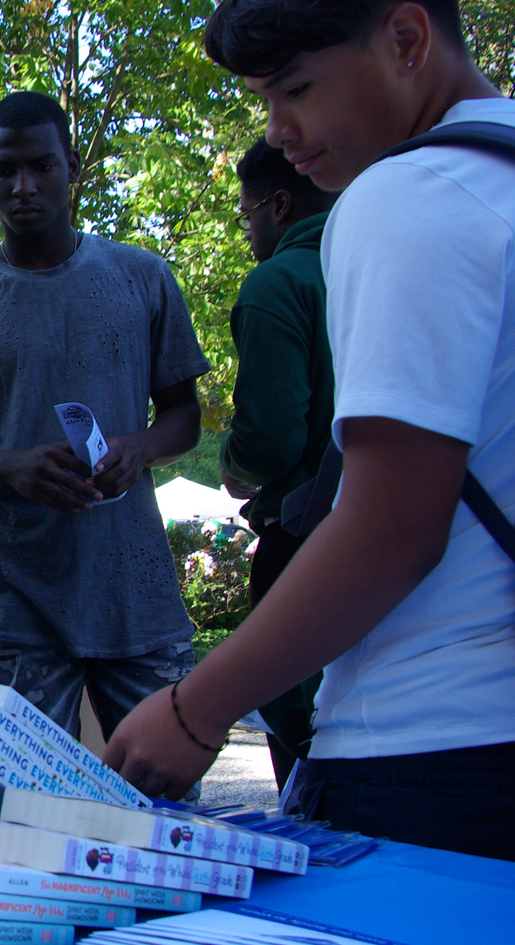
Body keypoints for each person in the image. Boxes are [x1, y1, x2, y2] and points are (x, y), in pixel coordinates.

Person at [103, 0, 515, 861]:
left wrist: (197, 707)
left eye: (295, 89)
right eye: (264, 99)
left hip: (431, 753)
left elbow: (393, 530)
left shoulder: (408, 196)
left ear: (406, 40)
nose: (279, 131)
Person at [0, 91, 210, 746]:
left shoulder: (141, 278)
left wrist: (139, 448)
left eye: (42, 166)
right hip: (15, 598)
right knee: (23, 794)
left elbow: (184, 417)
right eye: (5, 170)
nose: (23, 186)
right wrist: (7, 469)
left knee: (164, 786)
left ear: (72, 166)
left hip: (135, 591)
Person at [217, 138, 339, 788]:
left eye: (247, 214)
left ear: (279, 206)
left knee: (304, 723)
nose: (247, 231)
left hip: (304, 535)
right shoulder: (384, 262)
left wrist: (233, 464)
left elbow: (269, 441)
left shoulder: (279, 283)